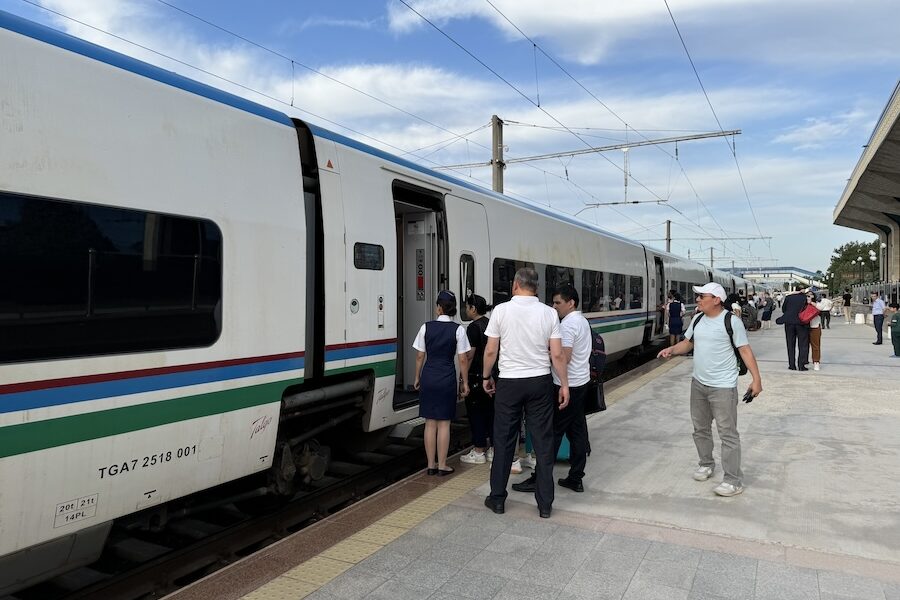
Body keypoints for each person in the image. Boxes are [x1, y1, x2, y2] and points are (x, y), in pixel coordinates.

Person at [657, 282, 762, 497]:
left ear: (716, 299)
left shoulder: (731, 321)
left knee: (728, 433)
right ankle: (706, 463)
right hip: (698, 384)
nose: (697, 299)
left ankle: (733, 480)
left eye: (701, 296)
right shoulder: (697, 319)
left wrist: (756, 380)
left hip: (723, 387)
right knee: (700, 428)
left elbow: (745, 350)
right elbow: (688, 343)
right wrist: (672, 349)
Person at [482, 267, 569, 518]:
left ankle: (497, 499)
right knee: (542, 442)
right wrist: (563, 384)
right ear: (536, 288)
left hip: (509, 382)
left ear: (515, 284)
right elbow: (557, 354)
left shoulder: (501, 311)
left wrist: (487, 377)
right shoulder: (549, 313)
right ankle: (544, 505)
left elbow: (490, 351)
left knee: (504, 441)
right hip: (540, 382)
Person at [511, 284, 591, 495]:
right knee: (577, 432)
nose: (554, 307)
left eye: (558, 303)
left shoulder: (567, 325)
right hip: (581, 383)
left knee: (551, 434)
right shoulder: (582, 321)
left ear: (571, 303)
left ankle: (539, 479)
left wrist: (538, 354)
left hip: (567, 386)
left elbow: (564, 356)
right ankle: (576, 477)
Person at [412, 290, 470, 476]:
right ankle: (443, 465)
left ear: (438, 308)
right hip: (446, 378)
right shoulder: (458, 330)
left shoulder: (425, 327)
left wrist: (417, 376)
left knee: (430, 422)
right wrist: (465, 382)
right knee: (444, 423)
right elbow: (463, 360)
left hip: (429, 376)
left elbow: (420, 355)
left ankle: (430, 465)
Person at [460, 294, 494, 465]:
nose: (466, 310)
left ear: (473, 308)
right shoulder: (489, 323)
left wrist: (463, 378)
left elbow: (469, 355)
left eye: (467, 307)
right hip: (491, 375)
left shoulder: (473, 327)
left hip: (476, 376)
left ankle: (479, 450)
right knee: (491, 413)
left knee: (476, 414)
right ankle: (492, 449)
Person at [777, 289, 810, 371]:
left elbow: (784, 309)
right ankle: (801, 365)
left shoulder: (788, 297)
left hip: (789, 323)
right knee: (803, 345)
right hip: (802, 323)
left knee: (790, 344)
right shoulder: (805, 298)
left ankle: (792, 365)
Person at [807, 292, 823, 371]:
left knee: (815, 345)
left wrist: (812, 303)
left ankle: (816, 361)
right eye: (807, 295)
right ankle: (804, 361)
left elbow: (821, 308)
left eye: (811, 294)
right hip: (804, 327)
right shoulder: (803, 304)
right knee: (804, 346)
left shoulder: (816, 304)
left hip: (815, 326)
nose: (809, 296)